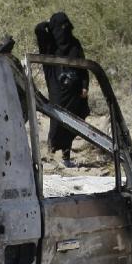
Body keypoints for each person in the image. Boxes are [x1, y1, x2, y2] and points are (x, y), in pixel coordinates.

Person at [34, 12, 89, 167]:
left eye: (66, 26)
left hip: (74, 92)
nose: (63, 30)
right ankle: (50, 154)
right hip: (58, 91)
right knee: (57, 121)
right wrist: (47, 23)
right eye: (60, 26)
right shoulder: (50, 44)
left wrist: (85, 86)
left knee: (72, 123)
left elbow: (84, 66)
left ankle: (66, 156)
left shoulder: (74, 43)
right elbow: (38, 29)